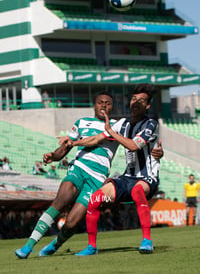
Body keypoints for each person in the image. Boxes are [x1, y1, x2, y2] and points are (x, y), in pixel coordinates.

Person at [15, 90, 163, 259]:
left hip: (97, 177)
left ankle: (55, 244)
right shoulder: (83, 122)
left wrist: (158, 152)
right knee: (60, 201)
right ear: (94, 105)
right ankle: (28, 246)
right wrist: (58, 153)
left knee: (72, 222)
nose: (104, 105)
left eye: (108, 103)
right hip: (78, 168)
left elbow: (140, 144)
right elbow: (78, 143)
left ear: (112, 107)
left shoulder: (118, 125)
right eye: (101, 102)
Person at [73, 83, 160, 255]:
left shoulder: (150, 124)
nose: (136, 102)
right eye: (134, 99)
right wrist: (73, 143)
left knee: (137, 191)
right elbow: (97, 138)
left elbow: (134, 145)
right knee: (96, 198)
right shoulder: (123, 123)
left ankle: (147, 241)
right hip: (127, 177)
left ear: (147, 105)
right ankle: (91, 247)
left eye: (141, 100)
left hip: (147, 178)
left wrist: (111, 132)